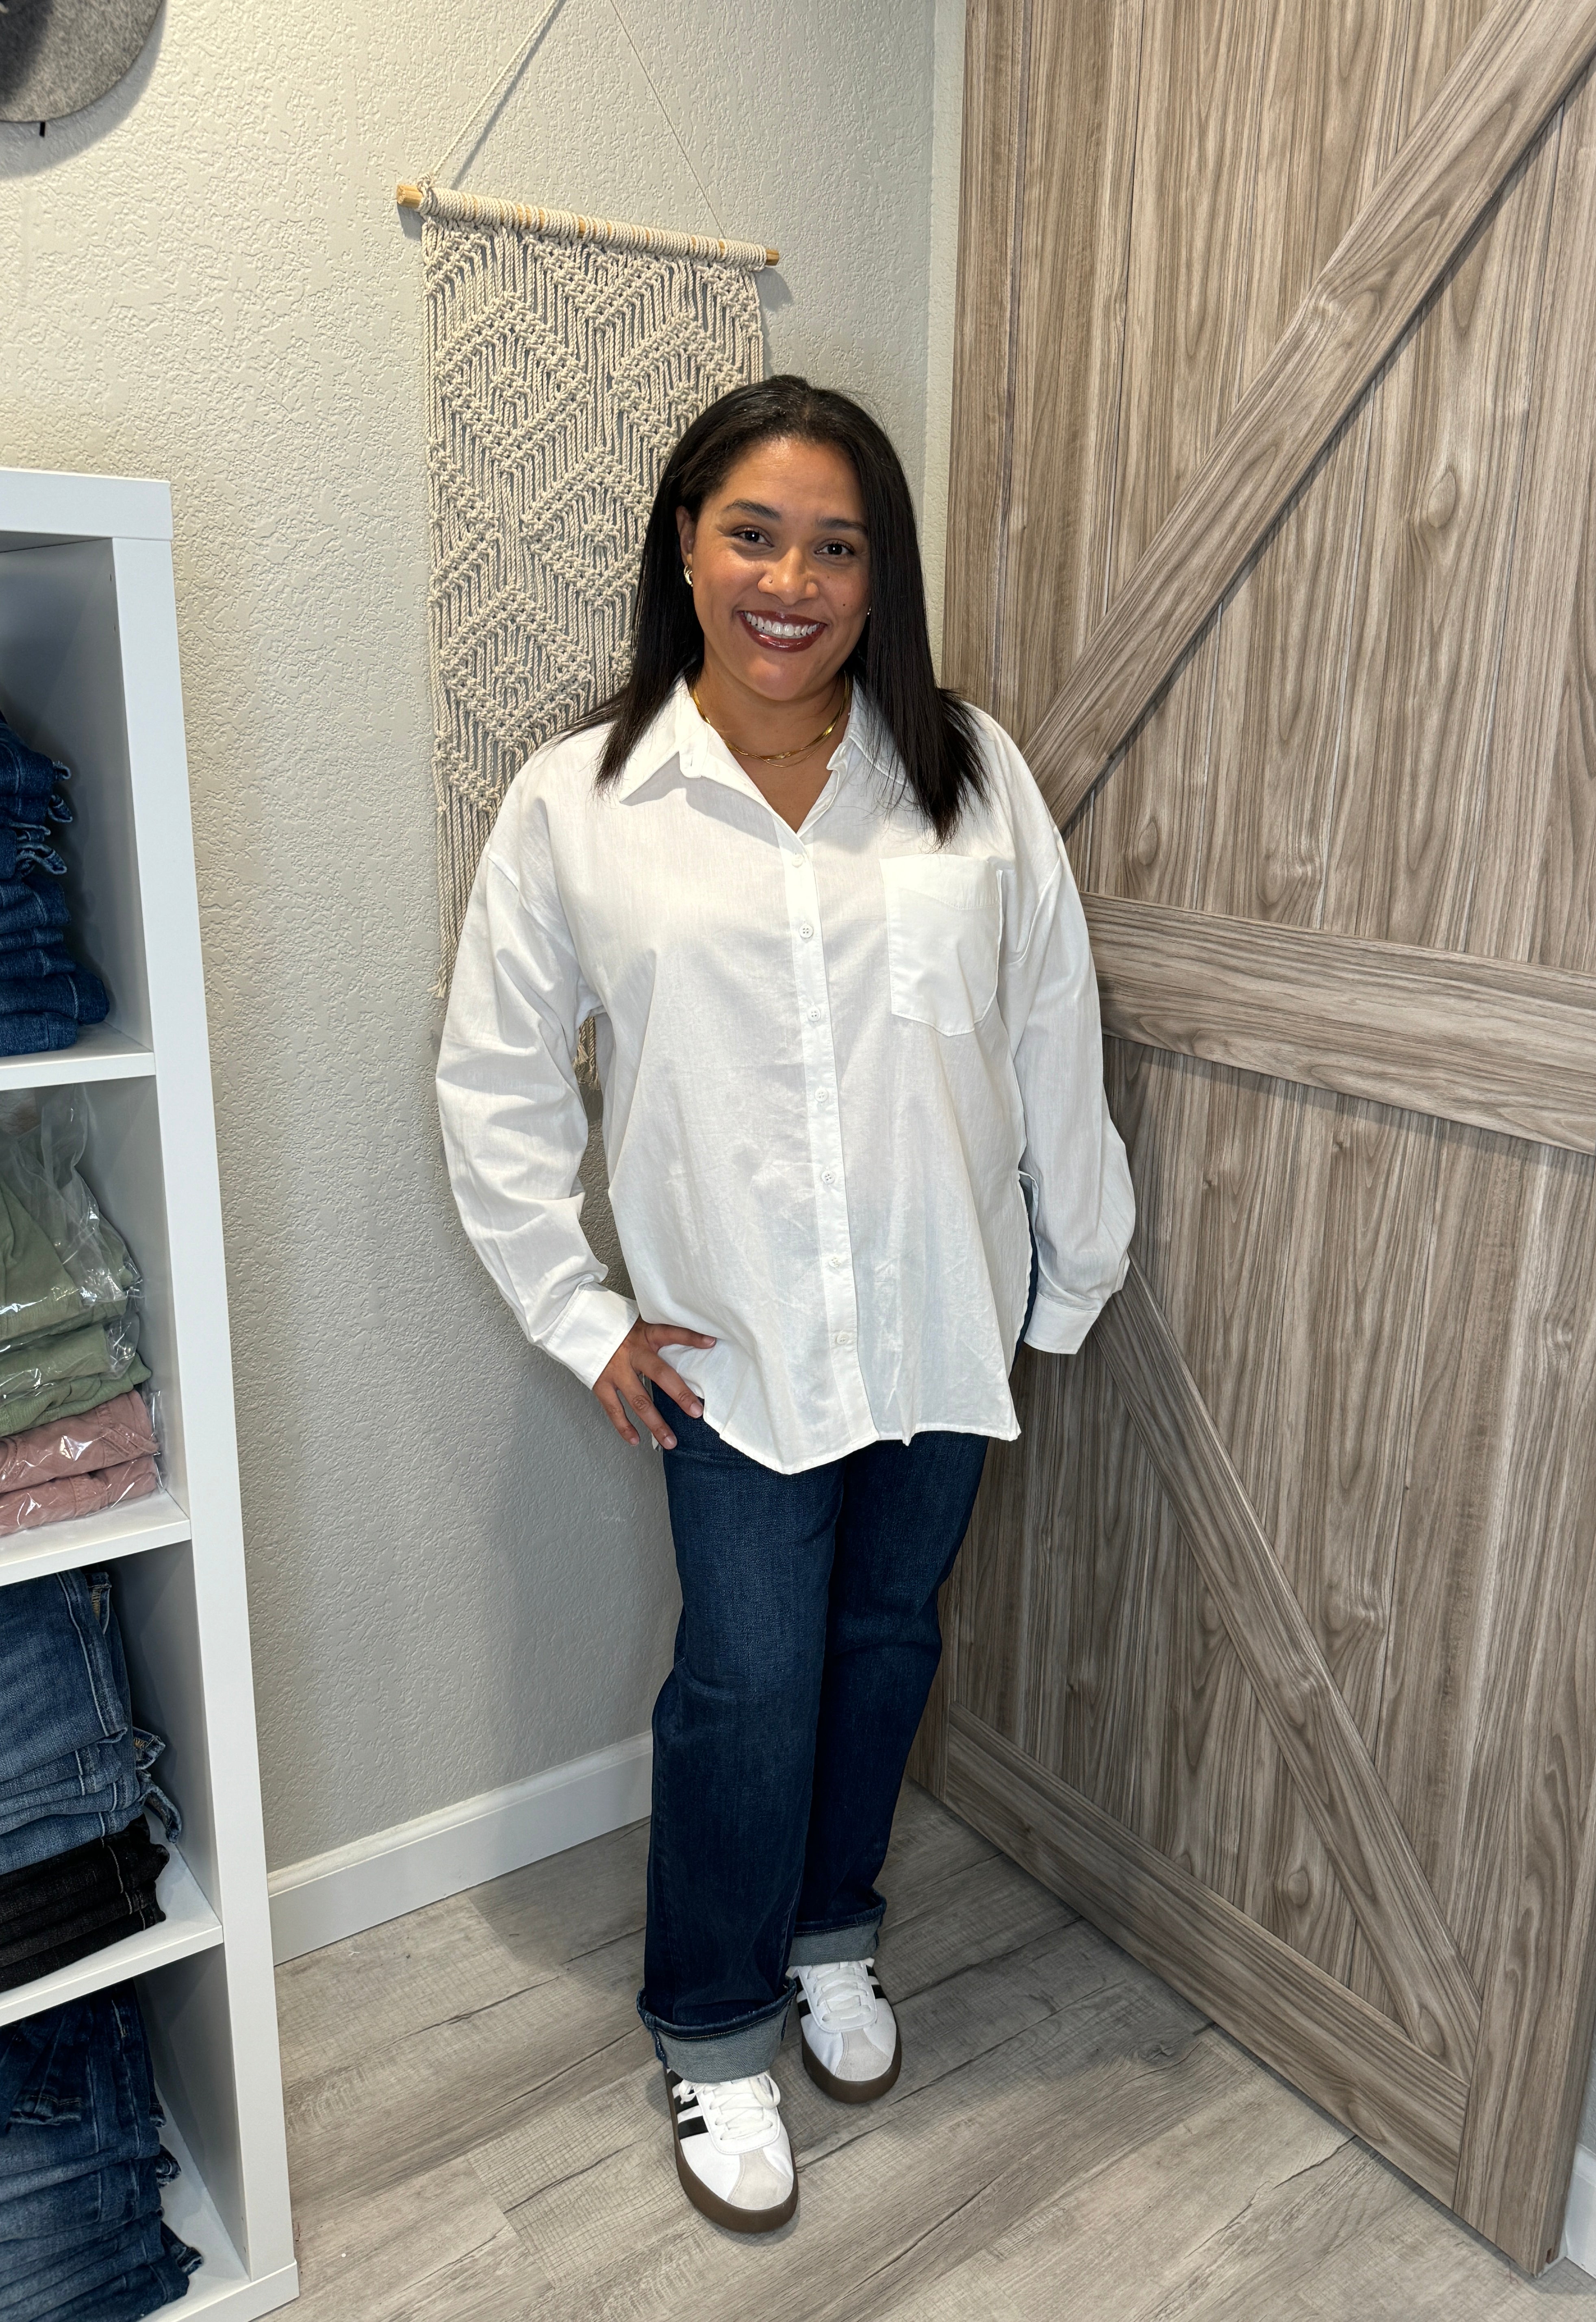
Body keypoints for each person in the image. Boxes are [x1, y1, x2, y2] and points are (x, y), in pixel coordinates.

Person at [437, 375, 1134, 2234]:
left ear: (877, 576)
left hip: (939, 1316)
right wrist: (584, 1318)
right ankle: (716, 2023)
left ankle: (837, 1932)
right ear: (685, 545)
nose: (793, 578)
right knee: (744, 1685)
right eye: (756, 532)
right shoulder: (579, 801)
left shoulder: (969, 773)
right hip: (733, 1348)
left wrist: (1075, 1277)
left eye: (839, 545)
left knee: (889, 1639)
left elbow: (1051, 1024)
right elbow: (495, 1077)